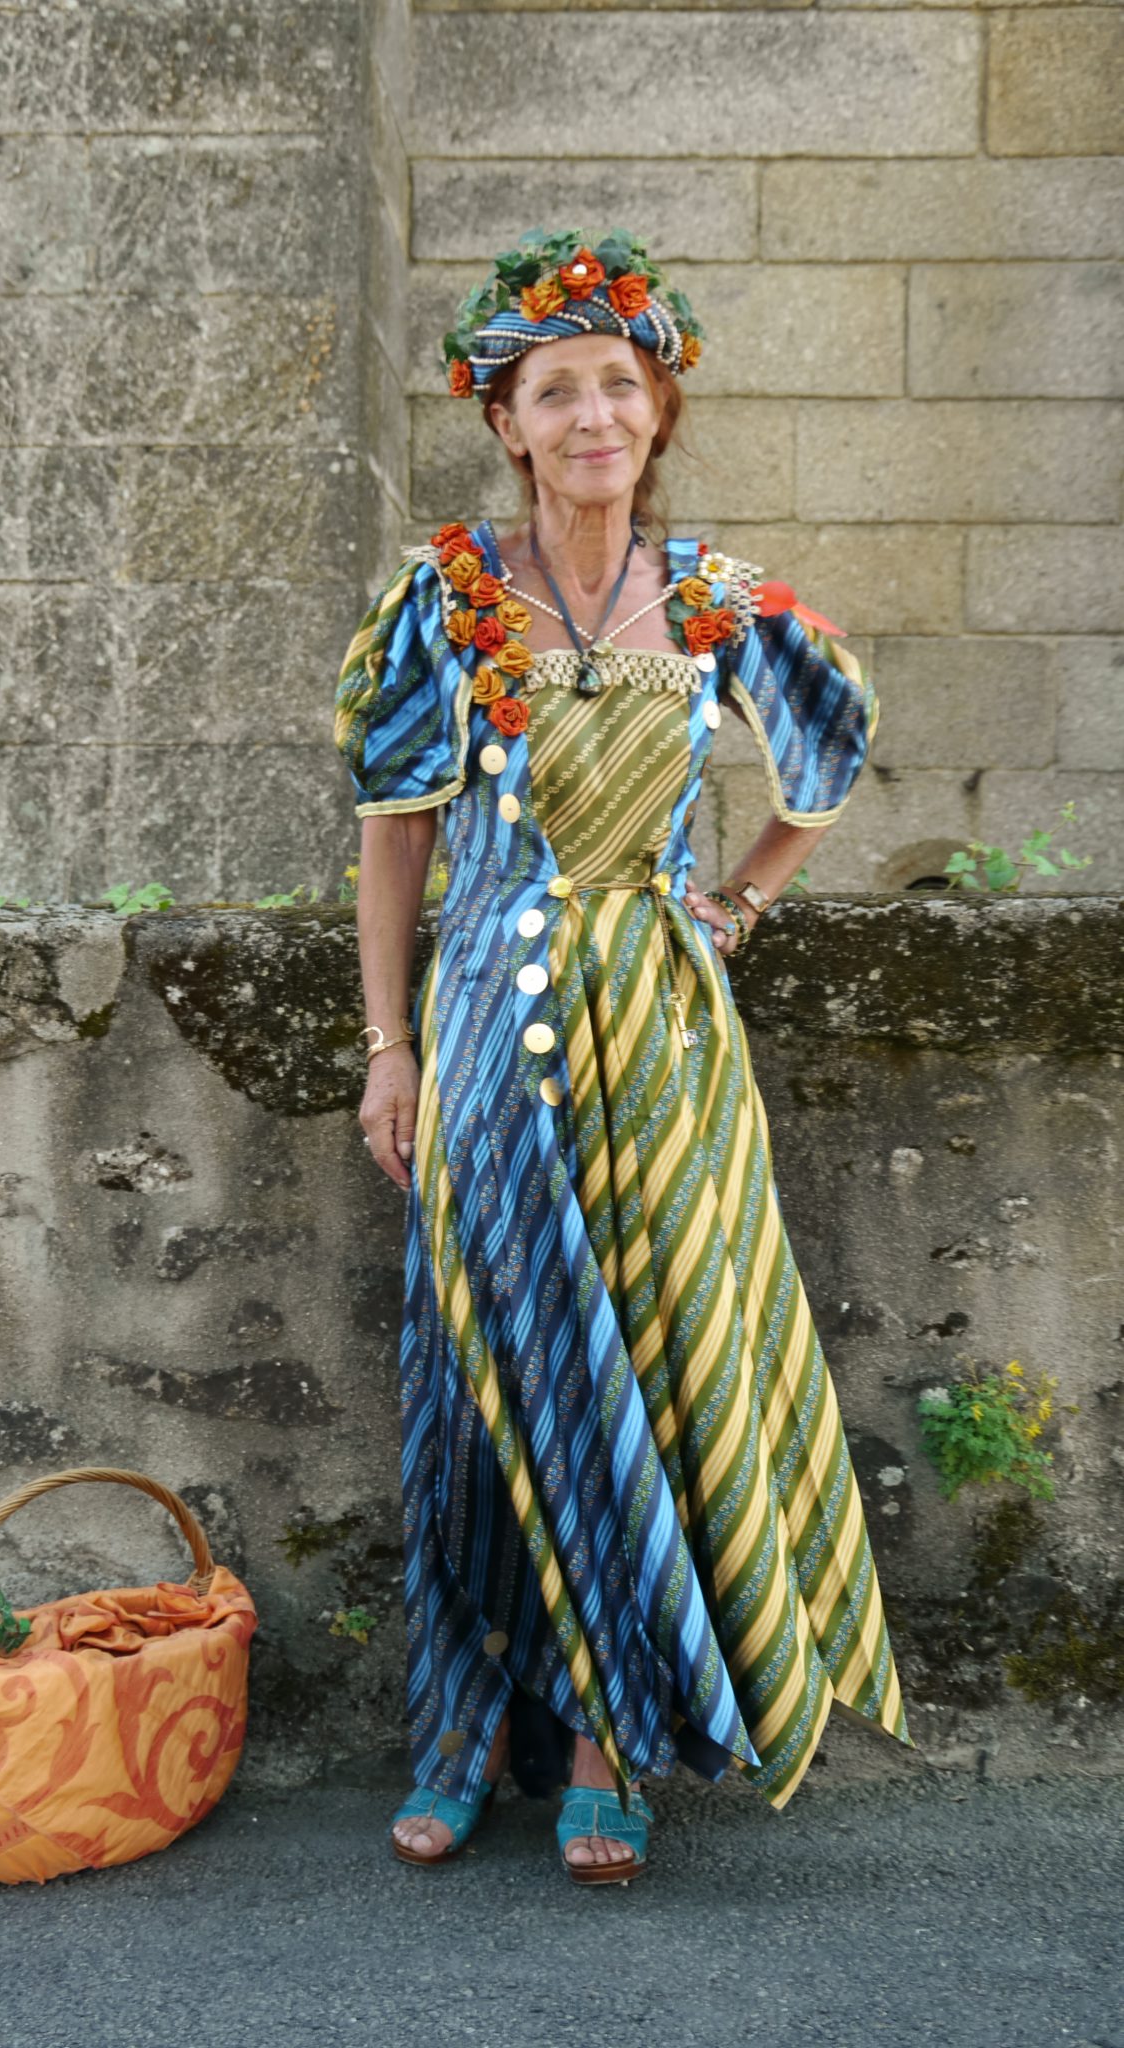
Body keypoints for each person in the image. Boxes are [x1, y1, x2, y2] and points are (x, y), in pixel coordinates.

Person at [334, 228, 914, 1886]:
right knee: (481, 1376)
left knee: (646, 1373)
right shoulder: (441, 595)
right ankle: (457, 1726)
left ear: (655, 414)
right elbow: (393, 841)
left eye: (618, 385)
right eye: (553, 389)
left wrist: (729, 905)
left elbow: (830, 750)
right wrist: (388, 1050)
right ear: (505, 421)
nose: (590, 413)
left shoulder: (719, 604)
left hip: (661, 1034)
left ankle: (605, 1738)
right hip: (484, 1027)